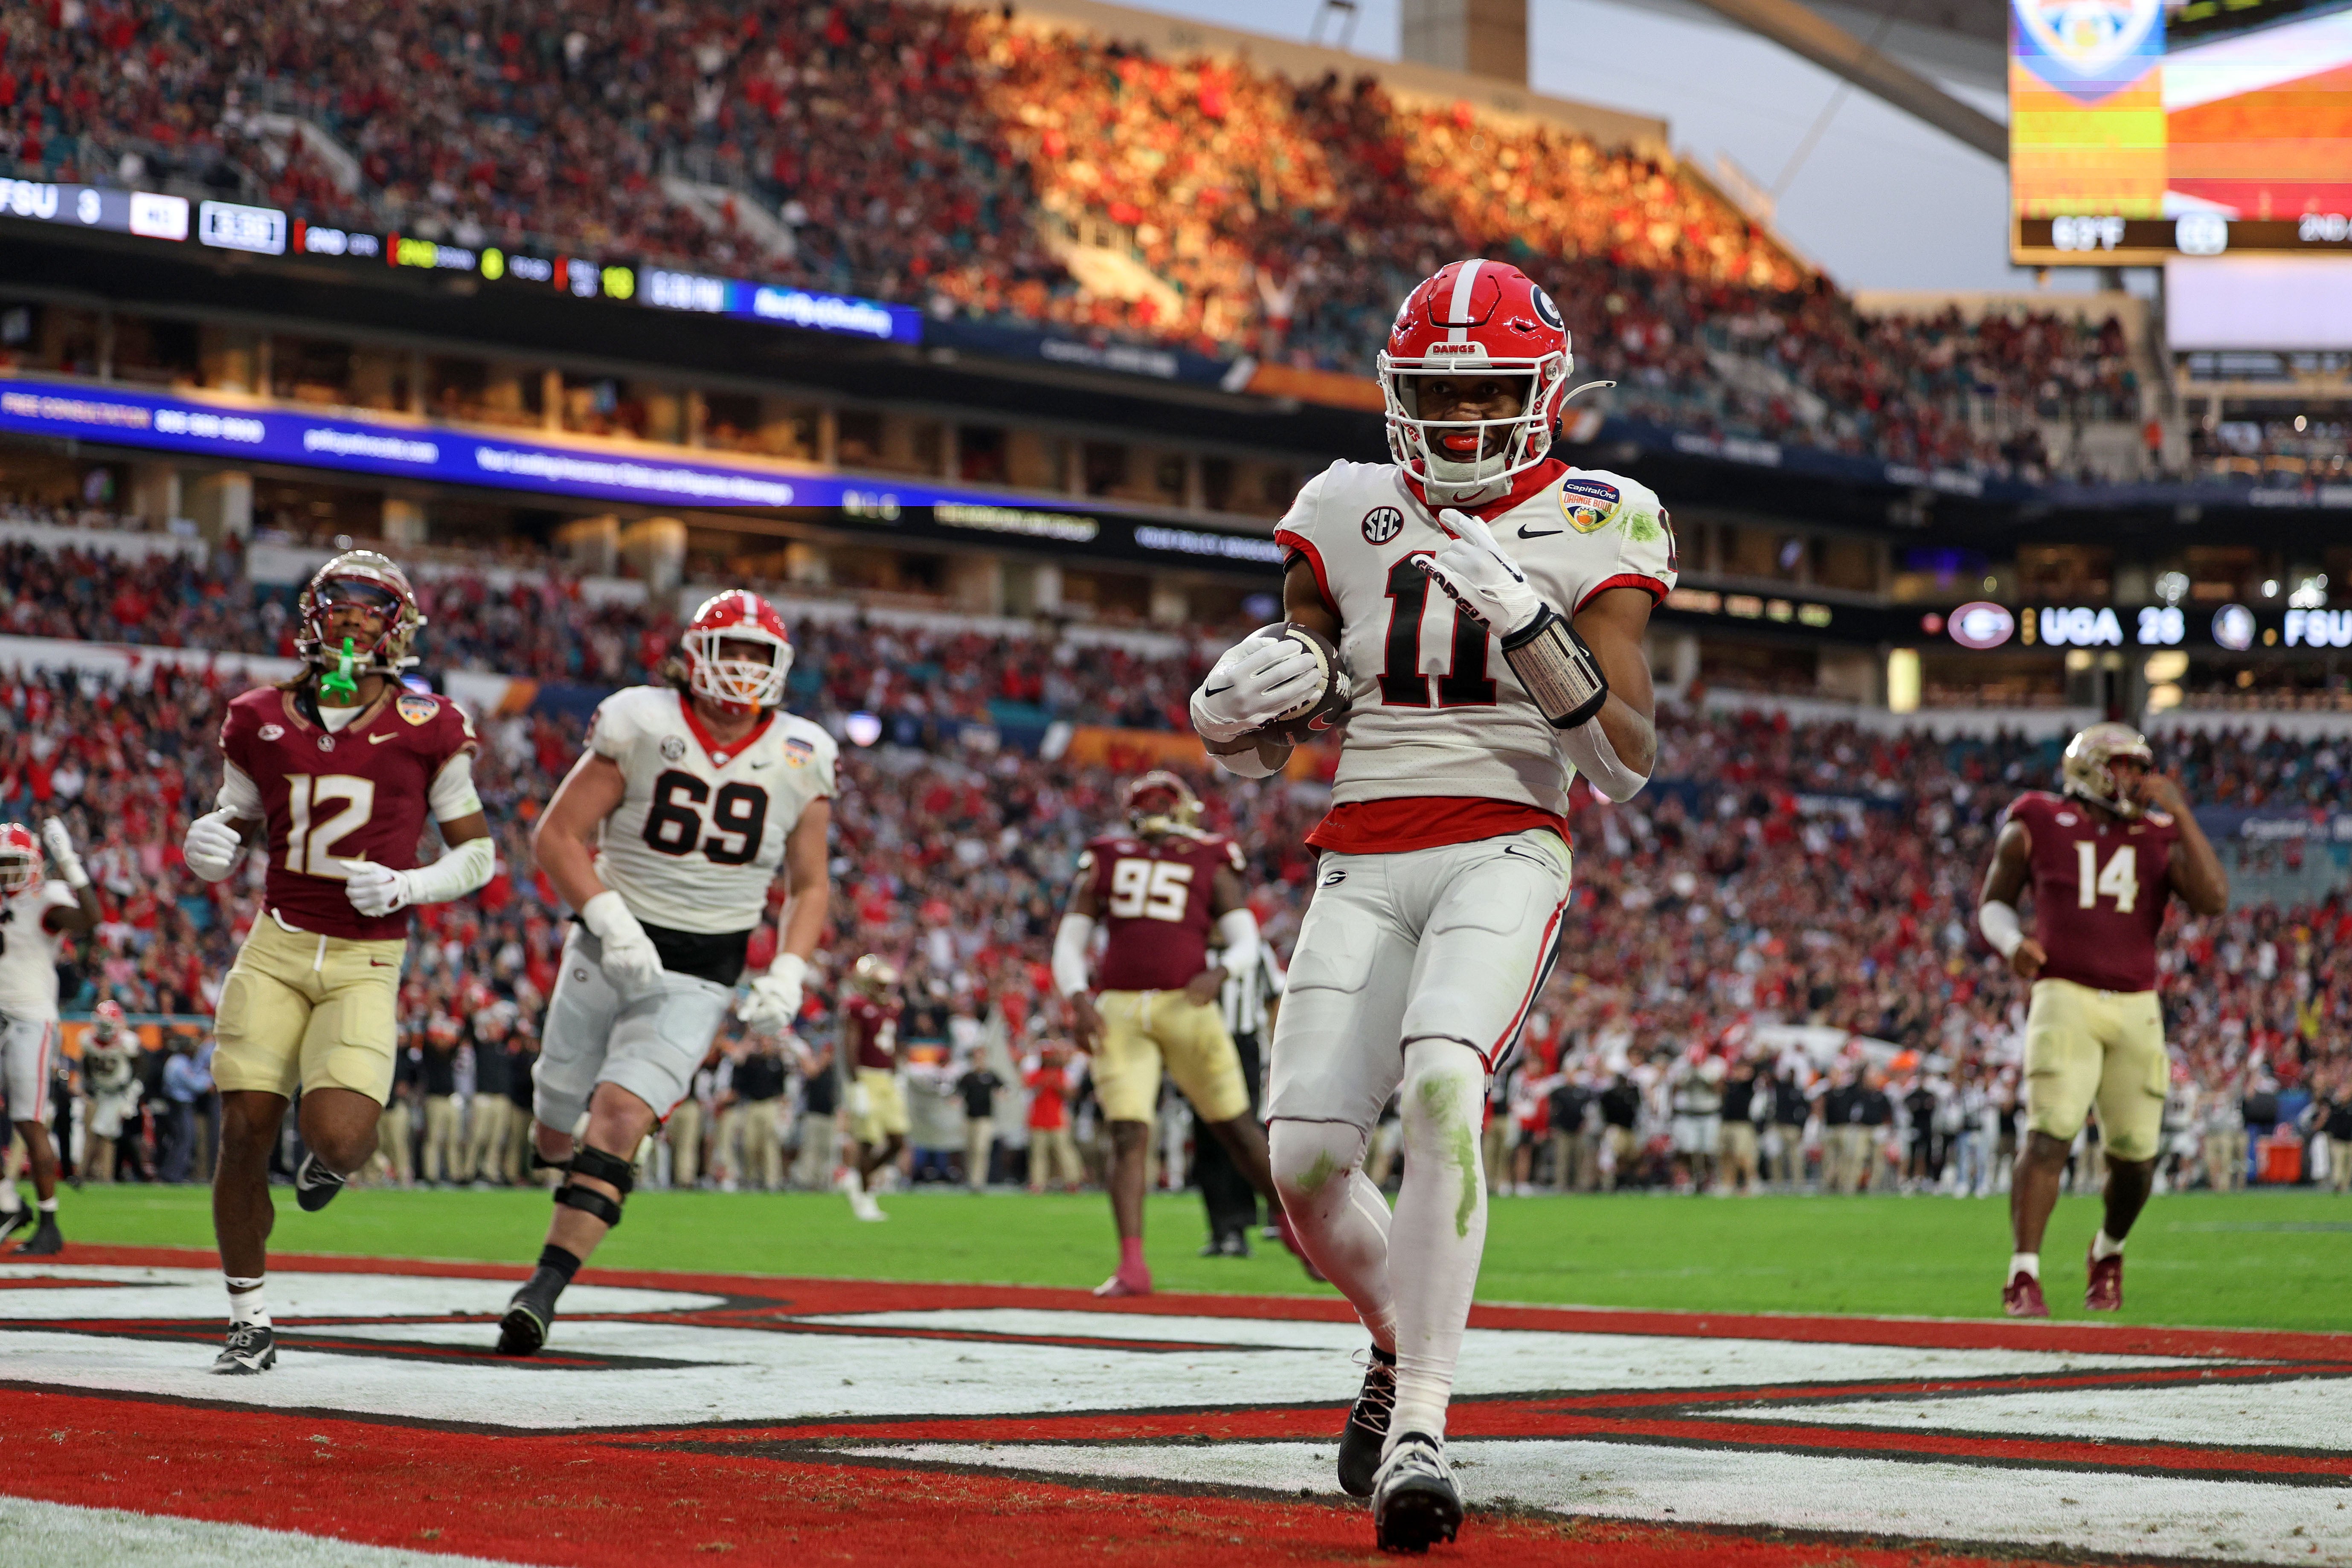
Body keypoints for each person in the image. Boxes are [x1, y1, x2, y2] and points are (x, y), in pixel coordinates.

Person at [1188, 258, 1673, 1549]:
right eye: (1434, 391)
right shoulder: (1342, 504)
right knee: (1298, 1163)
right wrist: (1233, 724)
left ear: (1543, 393)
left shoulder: (1598, 513)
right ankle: (1398, 1344)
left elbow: (1622, 760)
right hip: (1357, 849)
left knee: (1446, 1078)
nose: (1458, 418)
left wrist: (1531, 623)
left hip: (1504, 841)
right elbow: (1292, 711)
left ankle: (1423, 1431)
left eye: (1484, 391)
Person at [497, 589, 832, 1356]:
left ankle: (541, 1291)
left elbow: (810, 884)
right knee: (556, 1118)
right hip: (609, 940)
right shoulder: (641, 720)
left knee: (617, 1115)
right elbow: (557, 835)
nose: (744, 668)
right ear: (690, 659)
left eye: (758, 653)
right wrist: (610, 920)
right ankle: (558, 1150)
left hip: (704, 967)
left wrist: (788, 968)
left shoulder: (801, 752)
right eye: (731, 650)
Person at [180, 550, 493, 1371]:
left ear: (399, 627)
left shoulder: (433, 725)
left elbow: (478, 857)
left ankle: (334, 1163)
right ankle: (248, 1317)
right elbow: (236, 817)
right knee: (244, 1129)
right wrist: (211, 838)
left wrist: (408, 884)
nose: (354, 621)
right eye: (340, 605)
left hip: (364, 957)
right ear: (314, 615)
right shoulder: (255, 715)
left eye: (371, 608)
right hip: (277, 942)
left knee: (343, 1139)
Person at [1977, 722, 2227, 1317]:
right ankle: (2023, 1274)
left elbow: (2214, 900)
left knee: (2137, 1158)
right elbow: (1993, 900)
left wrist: (2181, 815)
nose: (2137, 779)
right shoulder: (2037, 819)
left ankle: (2108, 1252)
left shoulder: (2158, 835)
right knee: (2048, 1134)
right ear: (2090, 766)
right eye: (2124, 766)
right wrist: (2011, 942)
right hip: (2063, 992)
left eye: (2141, 768)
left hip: (2137, 1003)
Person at [1051, 771, 1298, 1298]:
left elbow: (1244, 939)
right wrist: (1077, 996)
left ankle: (1297, 1230)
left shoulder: (1209, 855)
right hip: (1119, 1005)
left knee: (1236, 1126)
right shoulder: (1107, 856)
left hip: (1186, 1004)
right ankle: (1132, 1264)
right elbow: (1070, 939)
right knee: (1128, 1131)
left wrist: (1219, 973)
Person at [0, 818, 99, 1251]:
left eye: (13, 863)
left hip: (31, 1019)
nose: (6, 872)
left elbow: (91, 919)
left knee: (30, 1121)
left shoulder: (46, 899)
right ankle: (7, 1200)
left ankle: (49, 1221)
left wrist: (70, 859)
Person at [1196, 929, 1283, 1253]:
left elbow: (1275, 997)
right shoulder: (1196, 947)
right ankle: (1220, 1228)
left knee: (1242, 1135)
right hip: (1201, 1046)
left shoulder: (1256, 950)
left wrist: (1276, 1047)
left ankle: (1241, 1224)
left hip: (1242, 1045)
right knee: (1207, 1140)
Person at [837, 955, 904, 1220]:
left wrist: (898, 1071)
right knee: (867, 1141)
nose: (884, 990)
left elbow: (895, 1043)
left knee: (898, 1140)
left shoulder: (891, 1008)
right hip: (866, 1078)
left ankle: (857, 1178)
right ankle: (865, 1198)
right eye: (879, 985)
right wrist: (857, 1085)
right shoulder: (857, 1007)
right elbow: (850, 1047)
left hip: (886, 1078)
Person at [78, 1001, 140, 1187]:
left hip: (118, 1093)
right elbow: (87, 1064)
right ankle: (87, 1175)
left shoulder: (127, 1042)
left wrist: (129, 1090)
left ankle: (101, 1175)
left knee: (106, 1134)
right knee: (94, 1134)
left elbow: (140, 1066)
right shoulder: (87, 1040)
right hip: (98, 1092)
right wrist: (89, 1086)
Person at [1024, 1044, 1081, 1193]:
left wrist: (1058, 1086)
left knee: (1065, 1152)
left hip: (1057, 1119)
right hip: (1038, 1119)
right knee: (1038, 1154)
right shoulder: (1035, 1074)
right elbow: (1029, 1090)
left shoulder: (1061, 1074)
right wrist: (1042, 1084)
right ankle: (1038, 1184)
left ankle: (1072, 1181)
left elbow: (1071, 1095)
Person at [955, 1051, 1002, 1192]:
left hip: (985, 1118)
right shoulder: (968, 1077)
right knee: (971, 1150)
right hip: (969, 1118)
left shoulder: (991, 1076)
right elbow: (957, 1094)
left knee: (981, 1149)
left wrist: (1001, 1094)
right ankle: (970, 1179)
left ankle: (978, 1181)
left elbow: (1003, 1089)